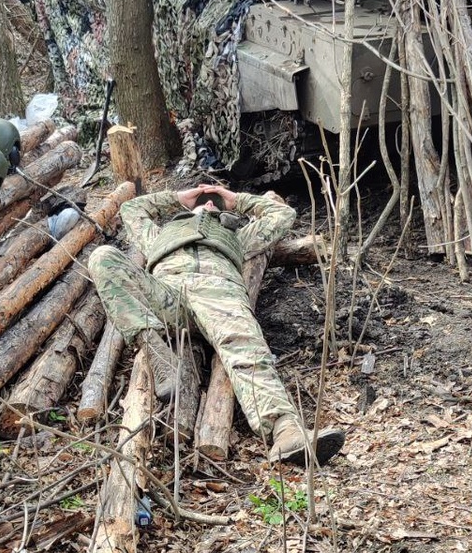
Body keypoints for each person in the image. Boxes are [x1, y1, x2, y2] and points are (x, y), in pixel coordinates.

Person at [89, 182, 345, 466]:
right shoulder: (158, 236)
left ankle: (286, 429)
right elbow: (131, 208)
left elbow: (282, 214)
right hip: (165, 296)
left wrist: (235, 199)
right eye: (203, 201)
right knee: (102, 257)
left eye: (216, 203)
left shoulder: (239, 237)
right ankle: (154, 349)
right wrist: (177, 198)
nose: (210, 203)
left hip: (218, 294)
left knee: (244, 345)